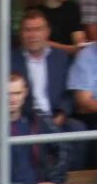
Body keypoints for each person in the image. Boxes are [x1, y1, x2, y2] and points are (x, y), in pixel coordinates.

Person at [14, 9, 80, 138]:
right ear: (21, 33)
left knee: (78, 128)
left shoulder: (60, 58)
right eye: (28, 30)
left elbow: (69, 93)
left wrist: (62, 114)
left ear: (47, 32)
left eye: (38, 29)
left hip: (56, 118)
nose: (33, 35)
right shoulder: (9, 60)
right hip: (24, 120)